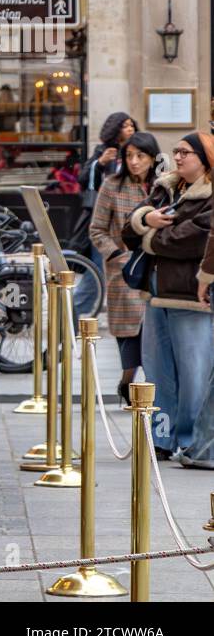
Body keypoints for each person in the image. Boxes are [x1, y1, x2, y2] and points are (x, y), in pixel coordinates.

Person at [121, 132, 214, 461]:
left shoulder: (209, 195)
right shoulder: (165, 187)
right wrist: (145, 219)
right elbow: (126, 230)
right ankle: (160, 437)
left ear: (204, 158)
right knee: (157, 370)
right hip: (155, 291)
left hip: (191, 297)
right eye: (175, 151)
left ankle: (191, 440)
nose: (177, 157)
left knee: (194, 373)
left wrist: (150, 236)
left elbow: (194, 240)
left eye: (185, 152)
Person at [88, 131, 158, 402]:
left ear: (152, 157)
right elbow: (97, 230)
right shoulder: (111, 185)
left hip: (155, 269)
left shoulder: (162, 186)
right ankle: (127, 382)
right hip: (125, 271)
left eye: (140, 156)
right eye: (129, 156)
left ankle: (149, 389)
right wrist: (117, 254)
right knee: (129, 331)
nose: (134, 162)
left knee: (152, 330)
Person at [73, 113, 137, 314]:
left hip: (129, 220)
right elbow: (84, 179)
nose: (130, 129)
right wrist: (100, 162)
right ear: (115, 129)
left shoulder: (137, 152)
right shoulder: (104, 151)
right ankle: (72, 313)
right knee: (98, 270)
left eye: (131, 125)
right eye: (125, 126)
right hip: (105, 221)